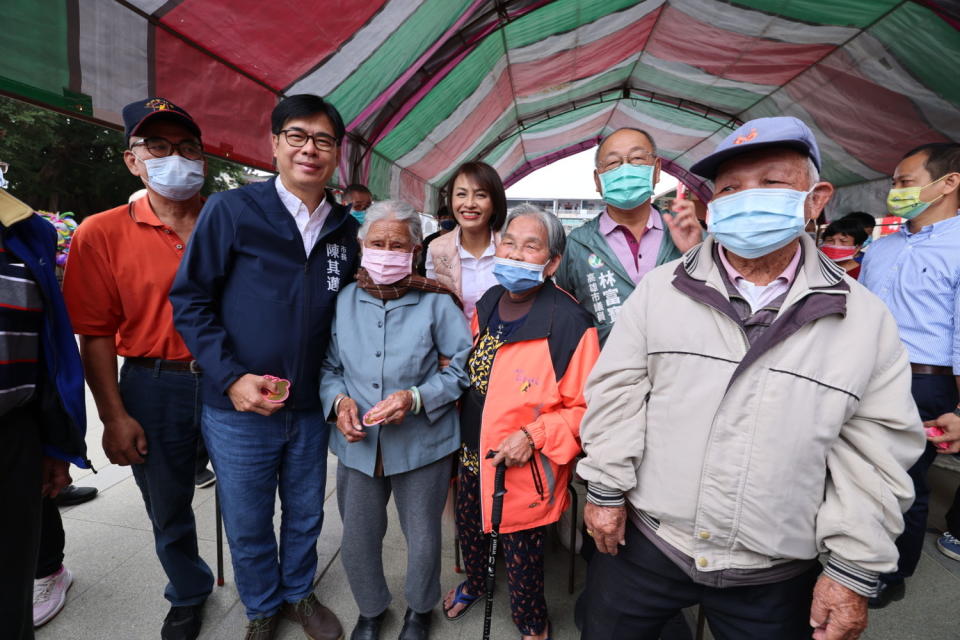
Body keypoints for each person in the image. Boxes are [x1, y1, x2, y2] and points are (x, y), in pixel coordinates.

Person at [577, 116, 924, 640]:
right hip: (651, 543)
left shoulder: (864, 319)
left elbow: (875, 456)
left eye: (772, 182)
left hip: (776, 568)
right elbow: (617, 392)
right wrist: (605, 491)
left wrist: (851, 570)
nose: (748, 198)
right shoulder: (661, 290)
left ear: (815, 198)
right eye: (731, 188)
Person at [170, 94, 359, 640]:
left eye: (323, 140)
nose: (310, 150)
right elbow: (191, 300)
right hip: (238, 406)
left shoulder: (346, 230)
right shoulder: (233, 211)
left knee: (305, 513)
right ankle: (260, 606)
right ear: (274, 143)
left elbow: (353, 313)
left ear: (336, 153)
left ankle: (299, 593)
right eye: (297, 136)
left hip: (306, 406)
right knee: (249, 518)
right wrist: (230, 377)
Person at [62, 97, 214, 640]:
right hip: (154, 384)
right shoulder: (99, 234)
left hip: (230, 382)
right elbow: (95, 335)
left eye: (188, 147)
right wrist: (113, 415)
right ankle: (189, 591)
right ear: (132, 160)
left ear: (203, 158)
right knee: (168, 503)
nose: (176, 158)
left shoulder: (230, 222)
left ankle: (271, 588)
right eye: (158, 147)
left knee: (249, 496)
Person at [442, 204, 600, 640]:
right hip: (475, 448)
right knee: (470, 526)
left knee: (522, 552)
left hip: (524, 464)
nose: (514, 253)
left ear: (551, 263)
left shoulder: (570, 323)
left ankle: (532, 619)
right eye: (509, 242)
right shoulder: (491, 299)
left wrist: (533, 435)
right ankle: (475, 583)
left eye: (531, 246)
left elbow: (585, 409)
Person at [320, 200, 472, 640]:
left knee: (423, 537)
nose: (387, 252)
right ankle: (371, 609)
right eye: (378, 243)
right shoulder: (345, 299)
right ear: (362, 245)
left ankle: (420, 609)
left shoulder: (437, 302)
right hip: (358, 440)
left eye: (397, 244)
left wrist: (417, 397)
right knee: (358, 537)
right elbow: (329, 367)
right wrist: (339, 403)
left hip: (423, 441)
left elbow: (461, 369)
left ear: (415, 250)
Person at [859, 142, 960, 606]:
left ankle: (892, 573)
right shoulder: (882, 246)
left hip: (924, 381)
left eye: (905, 182)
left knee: (903, 479)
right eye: (894, 183)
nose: (894, 191)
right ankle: (851, 557)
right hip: (866, 372)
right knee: (857, 470)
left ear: (949, 183)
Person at [0, 187, 88, 640]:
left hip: (14, 433)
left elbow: (48, 349)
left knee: (10, 602)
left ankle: (49, 570)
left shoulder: (26, 230)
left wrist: (56, 445)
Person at [554, 127, 703, 344]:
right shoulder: (576, 244)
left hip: (679, 371)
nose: (625, 169)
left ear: (657, 169)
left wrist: (694, 252)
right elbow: (564, 311)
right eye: (613, 163)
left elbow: (718, 297)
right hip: (606, 372)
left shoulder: (690, 232)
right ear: (598, 180)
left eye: (637, 158)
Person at [425, 161, 506, 322]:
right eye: (461, 194)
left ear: (495, 203)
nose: (469, 204)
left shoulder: (510, 247)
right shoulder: (436, 249)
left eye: (480, 195)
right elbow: (432, 306)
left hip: (506, 344)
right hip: (456, 345)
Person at [416, 206, 455, 276]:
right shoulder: (429, 240)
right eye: (444, 218)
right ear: (438, 219)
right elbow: (423, 264)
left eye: (451, 217)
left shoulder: (461, 238)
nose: (448, 220)